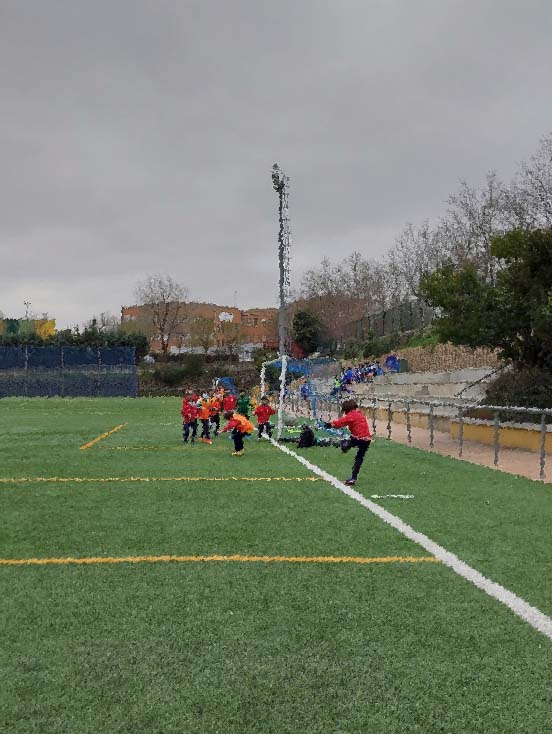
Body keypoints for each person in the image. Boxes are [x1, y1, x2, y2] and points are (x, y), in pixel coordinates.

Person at [324, 399, 371, 486]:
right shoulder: (360, 414)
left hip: (358, 438)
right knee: (359, 458)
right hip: (367, 440)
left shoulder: (351, 415)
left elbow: (339, 423)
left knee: (347, 442)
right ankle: (353, 478)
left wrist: (329, 425)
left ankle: (345, 447)